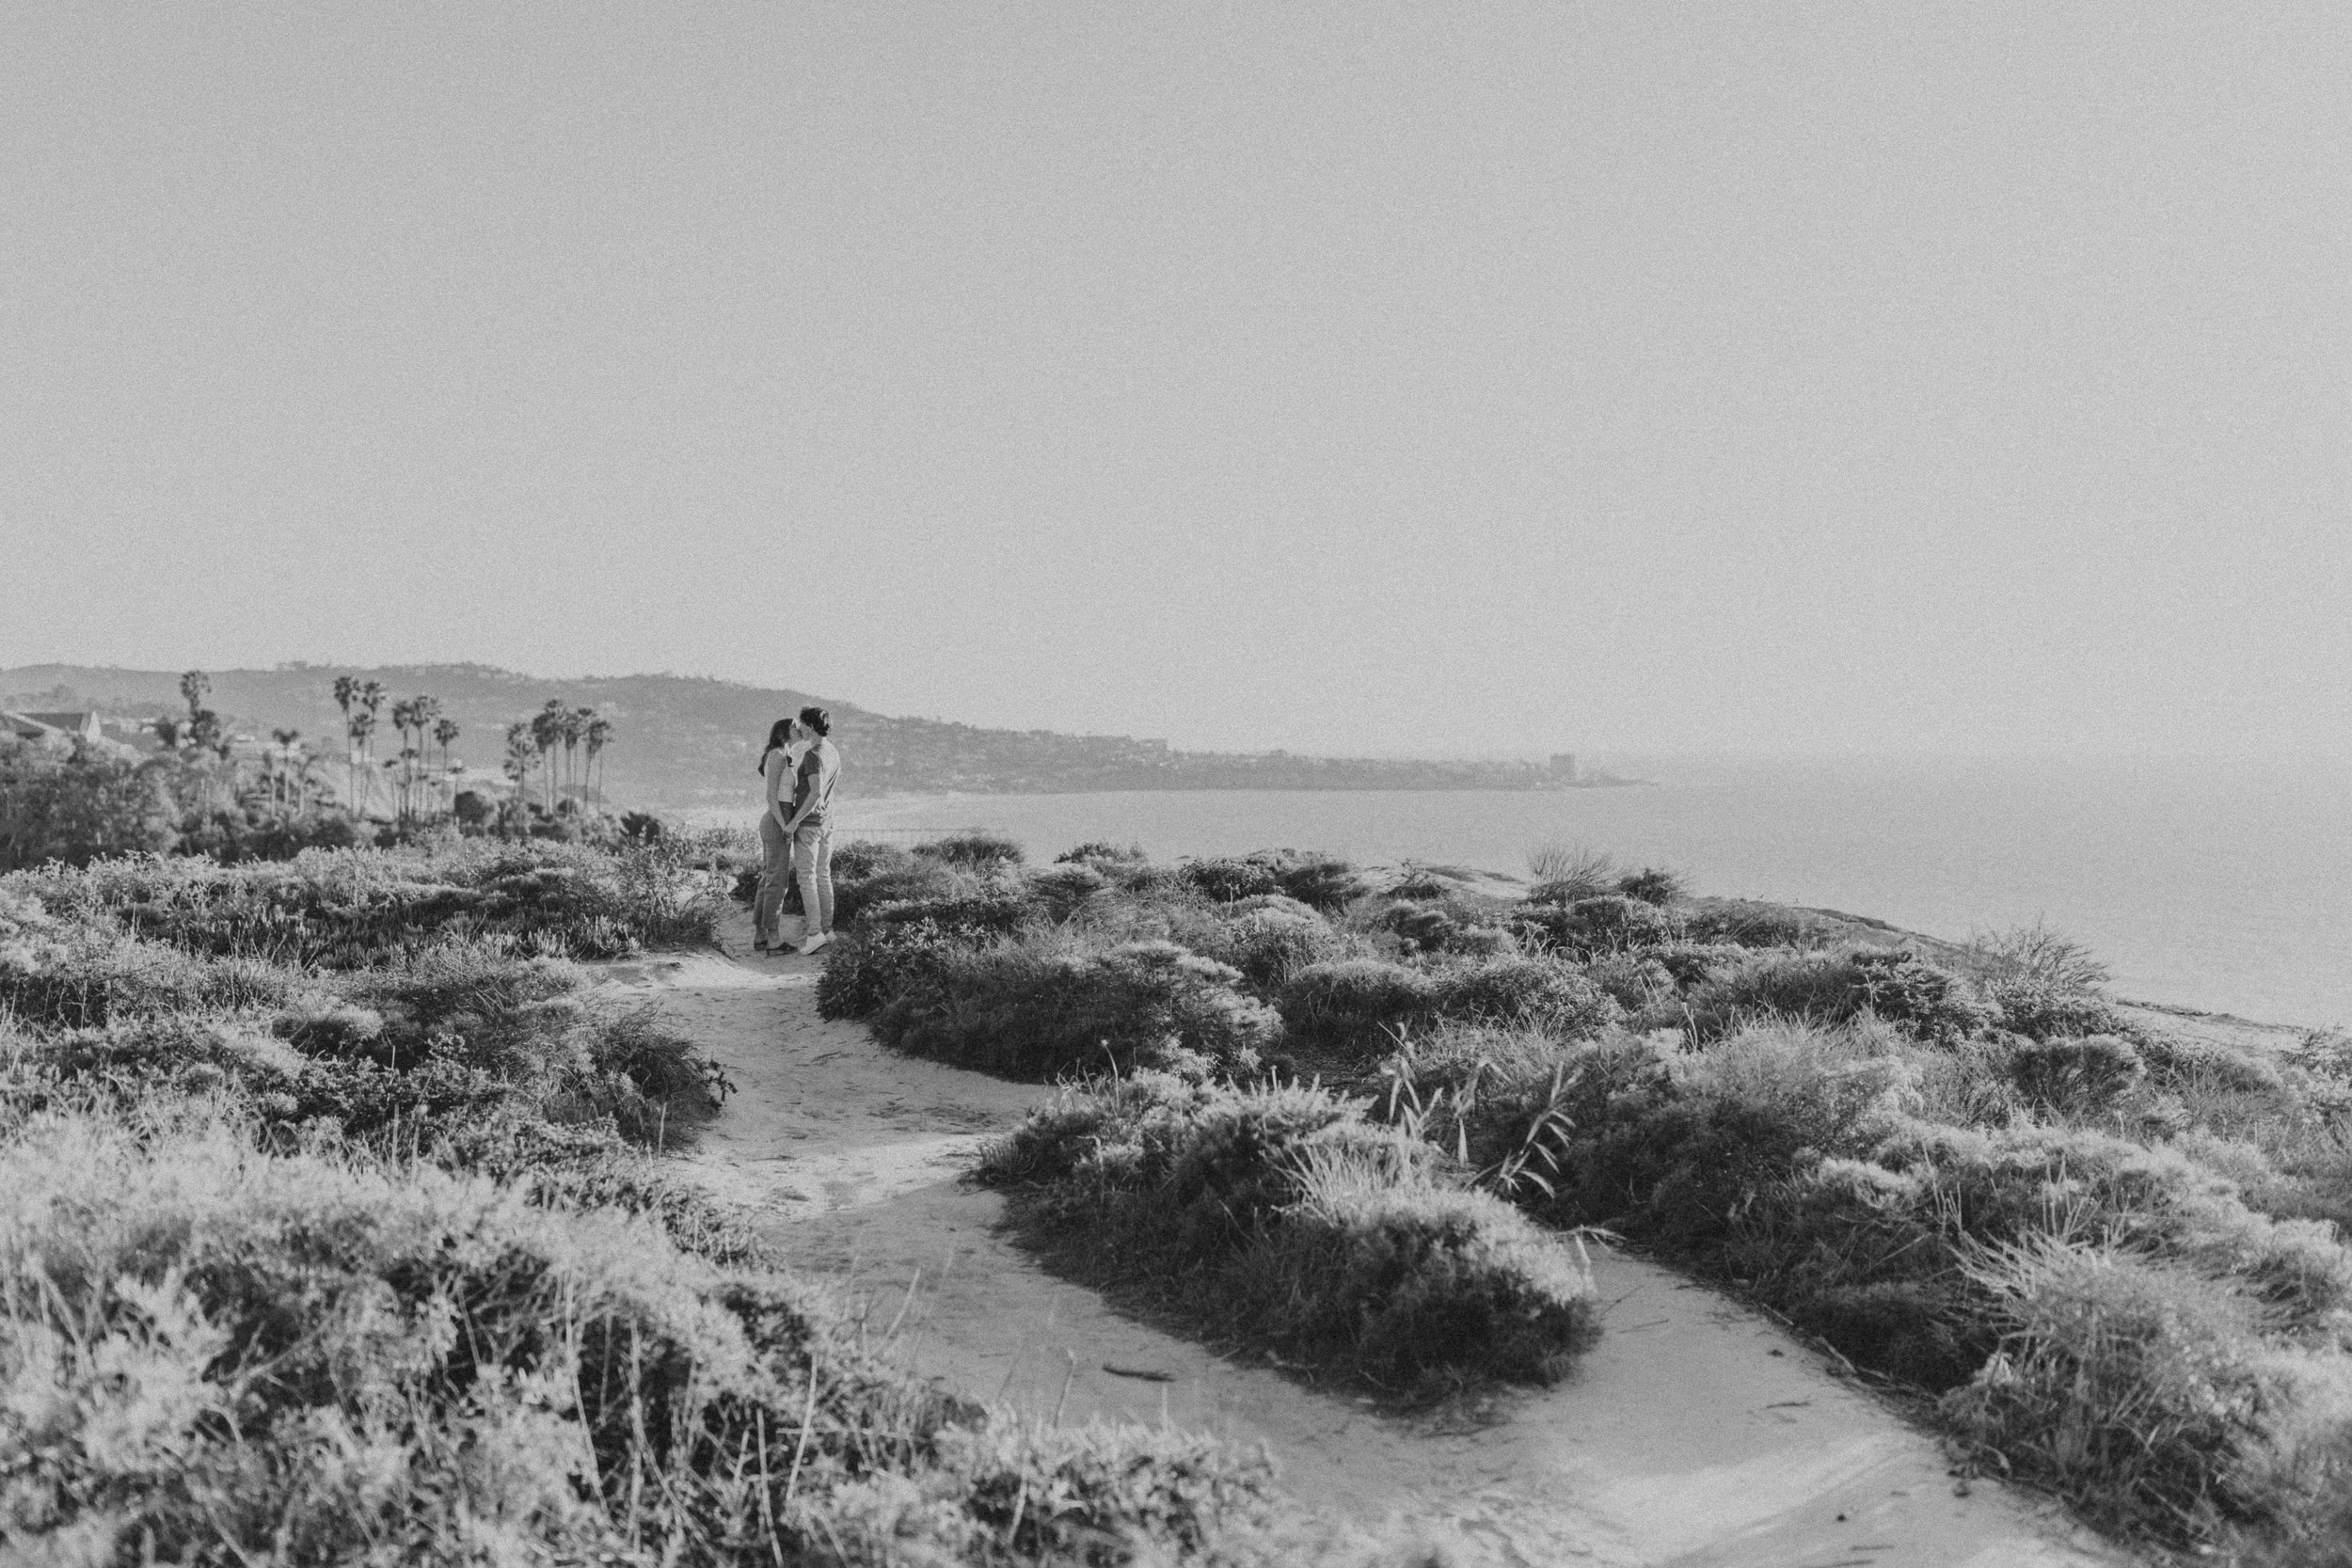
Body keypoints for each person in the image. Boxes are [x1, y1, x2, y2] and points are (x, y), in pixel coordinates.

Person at [783, 705, 840, 954]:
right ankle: (827, 930)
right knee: (823, 875)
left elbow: (815, 792)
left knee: (806, 879)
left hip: (809, 824)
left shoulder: (813, 755)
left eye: (802, 724)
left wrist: (794, 821)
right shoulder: (833, 752)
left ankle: (814, 933)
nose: (800, 728)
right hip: (827, 822)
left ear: (812, 726)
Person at [751, 718, 806, 952]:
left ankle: (761, 934)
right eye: (795, 725)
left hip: (778, 817)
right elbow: (771, 797)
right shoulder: (776, 756)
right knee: (777, 882)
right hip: (777, 818)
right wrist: (785, 824)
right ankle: (773, 937)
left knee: (769, 879)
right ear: (785, 731)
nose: (800, 728)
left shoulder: (783, 756)